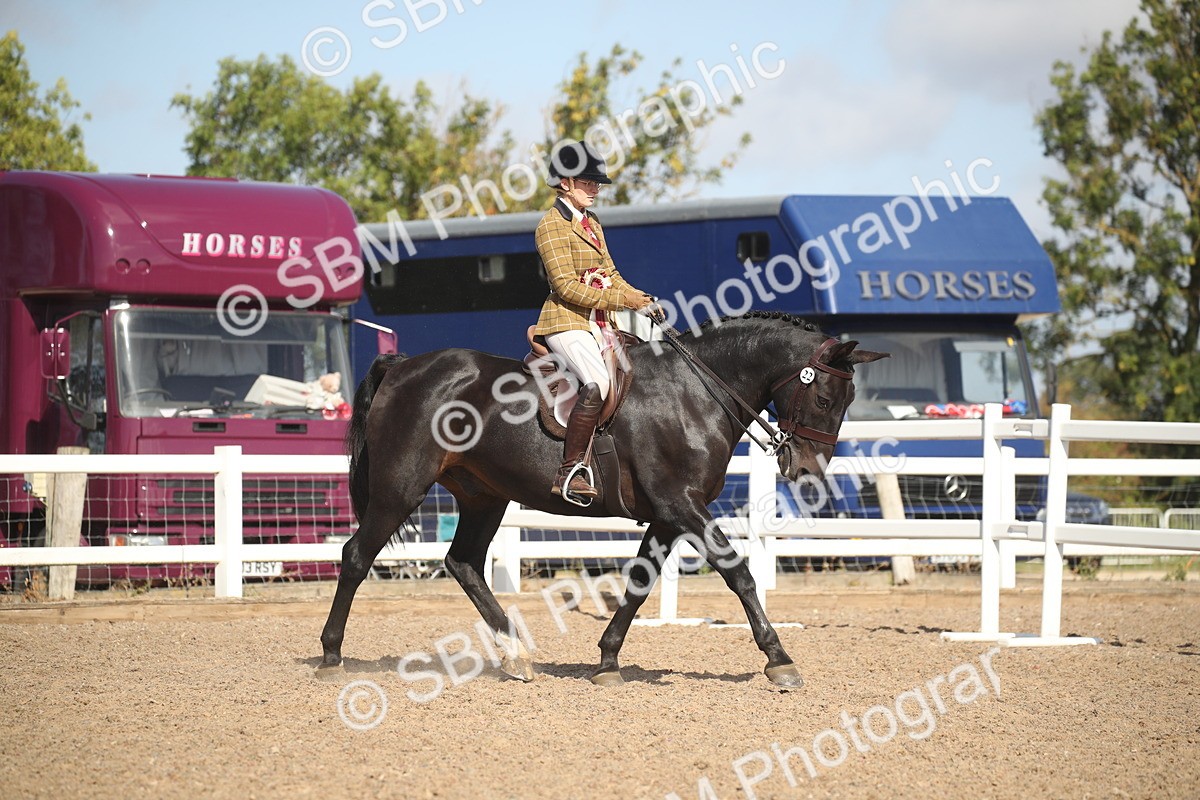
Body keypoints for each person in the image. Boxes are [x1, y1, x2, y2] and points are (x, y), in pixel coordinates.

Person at [533, 140, 655, 500]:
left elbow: (610, 273)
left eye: (597, 182)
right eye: (589, 182)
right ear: (565, 183)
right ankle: (569, 470)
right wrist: (623, 299)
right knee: (598, 383)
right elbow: (566, 287)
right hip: (565, 321)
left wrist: (640, 299)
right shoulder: (550, 226)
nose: (596, 189)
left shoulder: (591, 222)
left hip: (600, 322)